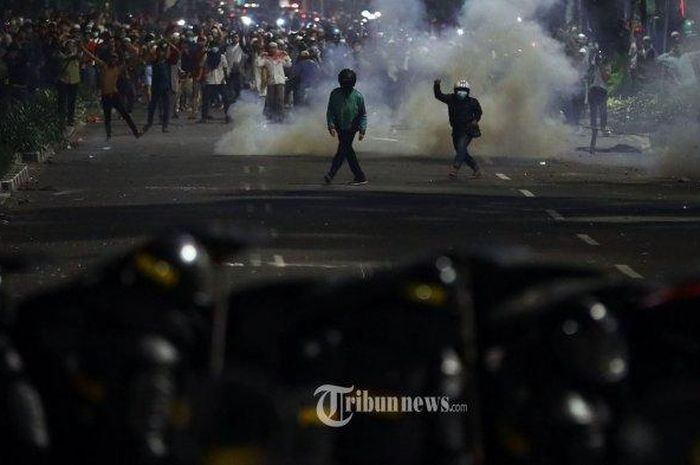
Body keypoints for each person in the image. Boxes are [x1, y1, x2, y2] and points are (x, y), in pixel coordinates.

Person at [82, 47, 140, 140]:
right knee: (107, 116)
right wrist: (83, 48)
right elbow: (93, 57)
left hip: (114, 94)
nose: (113, 60)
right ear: (109, 59)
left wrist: (135, 54)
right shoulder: (105, 66)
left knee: (125, 114)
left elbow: (130, 62)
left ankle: (135, 132)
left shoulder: (117, 68)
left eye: (115, 58)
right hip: (106, 95)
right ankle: (108, 135)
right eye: (112, 58)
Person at [324, 69, 368, 186]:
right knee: (348, 151)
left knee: (342, 150)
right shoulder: (335, 94)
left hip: (352, 126)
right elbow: (331, 111)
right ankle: (360, 176)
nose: (346, 87)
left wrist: (362, 129)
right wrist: (331, 125)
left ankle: (331, 174)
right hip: (340, 125)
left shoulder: (358, 96)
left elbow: (362, 114)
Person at [433, 78, 483, 178]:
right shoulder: (451, 99)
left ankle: (454, 169)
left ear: (468, 92)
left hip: (468, 130)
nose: (462, 93)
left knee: (461, 148)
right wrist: (437, 85)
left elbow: (479, 112)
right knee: (461, 151)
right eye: (459, 91)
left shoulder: (473, 102)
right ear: (455, 91)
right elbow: (438, 95)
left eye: (464, 91)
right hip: (456, 130)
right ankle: (476, 168)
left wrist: (475, 120)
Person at [200, 43, 231, 124]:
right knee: (206, 100)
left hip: (220, 80)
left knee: (225, 99)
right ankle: (204, 116)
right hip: (210, 80)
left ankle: (227, 116)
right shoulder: (207, 56)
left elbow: (225, 68)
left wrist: (225, 78)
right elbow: (202, 67)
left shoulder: (222, 57)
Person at [260, 42, 291, 122]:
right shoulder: (266, 59)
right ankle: (270, 116)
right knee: (271, 99)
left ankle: (281, 117)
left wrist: (286, 56)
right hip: (271, 82)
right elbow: (258, 64)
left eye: (274, 47)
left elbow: (288, 64)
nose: (272, 49)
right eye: (271, 47)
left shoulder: (280, 58)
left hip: (280, 81)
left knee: (280, 99)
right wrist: (261, 56)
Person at [145, 45, 172, 133]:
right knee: (153, 105)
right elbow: (149, 52)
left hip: (166, 87)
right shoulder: (154, 61)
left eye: (162, 51)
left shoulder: (167, 61)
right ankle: (149, 122)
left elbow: (174, 51)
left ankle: (165, 125)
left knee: (166, 107)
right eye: (159, 52)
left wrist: (168, 42)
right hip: (156, 87)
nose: (161, 53)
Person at [588, 52, 611, 152]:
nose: (598, 61)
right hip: (593, 90)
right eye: (598, 60)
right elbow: (589, 76)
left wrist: (601, 66)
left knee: (603, 112)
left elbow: (606, 78)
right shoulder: (594, 67)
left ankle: (603, 127)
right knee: (593, 114)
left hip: (602, 91)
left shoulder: (607, 67)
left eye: (600, 60)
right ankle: (594, 131)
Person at [55, 39, 81, 128]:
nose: (71, 47)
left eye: (73, 45)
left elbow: (80, 56)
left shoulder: (77, 55)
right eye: (70, 45)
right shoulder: (60, 54)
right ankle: (61, 121)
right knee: (62, 102)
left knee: (72, 102)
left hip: (74, 81)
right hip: (63, 81)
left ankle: (70, 120)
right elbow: (67, 58)